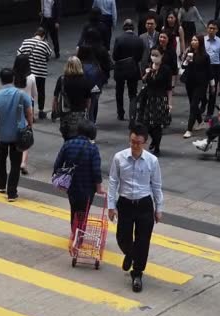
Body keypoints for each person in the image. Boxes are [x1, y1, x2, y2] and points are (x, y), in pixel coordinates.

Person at [108, 124, 164, 293]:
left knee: (143, 240)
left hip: (144, 204)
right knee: (122, 237)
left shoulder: (152, 161)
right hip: (125, 203)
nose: (134, 146)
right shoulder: (119, 158)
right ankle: (130, 254)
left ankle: (137, 274)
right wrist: (111, 205)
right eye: (132, 142)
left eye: (138, 143)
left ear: (145, 143)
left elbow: (156, 185)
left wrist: (158, 208)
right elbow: (113, 182)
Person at [0, 68, 34, 202]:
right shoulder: (22, 95)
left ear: (0, 80)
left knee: (0, 159)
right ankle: (12, 192)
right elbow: (29, 113)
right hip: (17, 135)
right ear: (13, 79)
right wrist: (29, 125)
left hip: (1, 134)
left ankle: (1, 184)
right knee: (15, 163)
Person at [53, 120, 104, 242]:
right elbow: (96, 170)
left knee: (74, 209)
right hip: (87, 188)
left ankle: (74, 232)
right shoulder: (93, 149)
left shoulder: (68, 144)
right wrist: (99, 186)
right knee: (83, 212)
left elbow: (57, 163)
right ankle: (79, 235)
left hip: (71, 186)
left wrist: (57, 176)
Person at [138, 47, 172, 156]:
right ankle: (154, 140)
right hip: (148, 98)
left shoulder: (166, 70)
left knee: (157, 125)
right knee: (146, 124)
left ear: (162, 56)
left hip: (160, 99)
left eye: (156, 55)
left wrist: (169, 103)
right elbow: (143, 80)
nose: (154, 57)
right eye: (152, 55)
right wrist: (147, 73)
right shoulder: (149, 67)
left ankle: (157, 146)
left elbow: (169, 88)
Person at [53, 57, 93, 141]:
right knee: (80, 138)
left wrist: (55, 111)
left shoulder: (62, 80)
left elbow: (55, 98)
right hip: (80, 115)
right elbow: (88, 100)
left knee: (67, 139)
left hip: (65, 116)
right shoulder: (85, 80)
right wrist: (87, 112)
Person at [17, 27, 52, 120]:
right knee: (41, 92)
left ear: (35, 33)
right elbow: (48, 56)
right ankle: (41, 111)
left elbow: (18, 53)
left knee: (29, 93)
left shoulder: (26, 41)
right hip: (41, 73)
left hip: (28, 72)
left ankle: (30, 114)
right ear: (43, 36)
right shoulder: (45, 44)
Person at [113, 19, 145, 121]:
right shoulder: (139, 40)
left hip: (120, 69)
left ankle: (120, 113)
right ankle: (132, 115)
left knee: (119, 91)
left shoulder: (119, 39)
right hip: (133, 68)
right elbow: (140, 57)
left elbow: (114, 56)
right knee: (133, 94)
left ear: (124, 28)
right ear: (133, 28)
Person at [182, 34, 213, 137]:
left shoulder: (205, 56)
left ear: (200, 42)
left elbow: (209, 71)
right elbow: (183, 66)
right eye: (192, 40)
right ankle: (200, 121)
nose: (193, 42)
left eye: (195, 40)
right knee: (193, 104)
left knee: (194, 105)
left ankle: (189, 129)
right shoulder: (189, 53)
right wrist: (186, 60)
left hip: (200, 83)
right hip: (189, 82)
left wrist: (212, 85)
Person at [13, 55, 38, 175]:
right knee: (27, 134)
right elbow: (34, 94)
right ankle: (23, 163)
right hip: (27, 109)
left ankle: (15, 159)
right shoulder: (31, 77)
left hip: (13, 108)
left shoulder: (13, 77)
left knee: (14, 133)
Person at [204, 20, 220, 118]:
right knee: (202, 89)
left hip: (215, 67)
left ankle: (209, 113)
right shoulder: (202, 40)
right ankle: (203, 103)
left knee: (213, 91)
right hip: (203, 67)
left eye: (213, 29)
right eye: (210, 28)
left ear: (217, 30)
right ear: (207, 29)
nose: (211, 30)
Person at [78, 46, 106, 124]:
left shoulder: (79, 64)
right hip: (94, 88)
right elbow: (101, 76)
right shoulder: (95, 64)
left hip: (82, 89)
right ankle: (93, 122)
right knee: (93, 105)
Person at [158, 29, 179, 94]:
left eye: (164, 38)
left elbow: (174, 69)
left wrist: (172, 84)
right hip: (156, 78)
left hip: (166, 79)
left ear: (168, 39)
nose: (162, 39)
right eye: (160, 37)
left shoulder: (172, 52)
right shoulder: (154, 49)